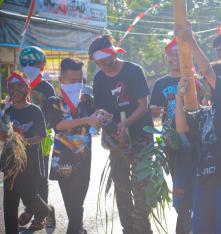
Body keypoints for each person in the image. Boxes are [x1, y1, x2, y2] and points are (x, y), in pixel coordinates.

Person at [175, 23, 221, 234]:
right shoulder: (205, 111)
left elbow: (206, 70)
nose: (204, 83)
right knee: (202, 229)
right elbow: (182, 127)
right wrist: (179, 99)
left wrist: (190, 41)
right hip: (203, 180)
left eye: (208, 80)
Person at [89, 35, 154, 234]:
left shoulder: (133, 71)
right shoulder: (99, 78)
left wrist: (125, 123)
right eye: (99, 63)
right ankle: (128, 229)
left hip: (140, 135)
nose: (105, 66)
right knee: (121, 185)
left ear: (114, 55)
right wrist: (106, 121)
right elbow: (101, 109)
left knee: (142, 185)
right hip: (116, 138)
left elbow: (143, 106)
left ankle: (142, 228)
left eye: (107, 61)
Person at [43, 58, 100, 234]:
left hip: (84, 160)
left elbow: (95, 123)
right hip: (63, 162)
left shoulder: (87, 100)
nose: (77, 84)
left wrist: (100, 118)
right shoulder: (53, 101)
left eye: (80, 80)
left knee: (77, 204)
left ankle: (76, 230)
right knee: (72, 205)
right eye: (72, 80)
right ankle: (79, 229)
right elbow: (58, 125)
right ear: (61, 80)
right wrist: (87, 120)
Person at [0, 72, 54, 233]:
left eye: (19, 86)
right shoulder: (9, 112)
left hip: (29, 164)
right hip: (10, 163)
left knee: (30, 197)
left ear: (27, 89)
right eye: (12, 87)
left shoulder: (35, 110)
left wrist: (25, 141)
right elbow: (4, 136)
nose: (15, 90)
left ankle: (46, 210)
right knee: (9, 202)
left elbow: (40, 136)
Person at [150, 38, 193, 234]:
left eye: (178, 53)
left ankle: (186, 223)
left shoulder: (193, 79)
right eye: (171, 54)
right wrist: (155, 111)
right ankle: (183, 221)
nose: (174, 57)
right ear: (166, 58)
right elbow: (154, 110)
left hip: (193, 139)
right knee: (178, 181)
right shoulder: (161, 83)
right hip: (171, 140)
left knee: (192, 181)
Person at [18, 46, 56, 229]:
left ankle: (41, 216)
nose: (28, 65)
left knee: (40, 177)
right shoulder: (19, 83)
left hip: (42, 138)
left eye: (32, 62)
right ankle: (32, 209)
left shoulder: (46, 88)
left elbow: (50, 115)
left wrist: (37, 132)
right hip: (20, 140)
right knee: (24, 176)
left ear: (41, 64)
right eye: (24, 62)